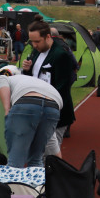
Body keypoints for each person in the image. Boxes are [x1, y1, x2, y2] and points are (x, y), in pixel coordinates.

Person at [22, 21, 76, 157]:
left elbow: (61, 88)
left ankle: (54, 177)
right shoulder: (36, 51)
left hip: (55, 114)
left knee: (50, 156)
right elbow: (34, 78)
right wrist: (27, 70)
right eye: (32, 42)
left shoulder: (61, 55)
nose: (34, 45)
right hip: (39, 110)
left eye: (37, 41)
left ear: (47, 37)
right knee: (38, 153)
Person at [0, 65, 62, 166]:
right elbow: (51, 140)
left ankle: (12, 181)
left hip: (27, 102)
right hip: (54, 104)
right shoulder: (33, 81)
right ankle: (38, 181)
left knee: (15, 161)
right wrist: (61, 167)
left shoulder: (6, 78)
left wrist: (7, 109)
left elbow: (1, 80)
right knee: (36, 159)